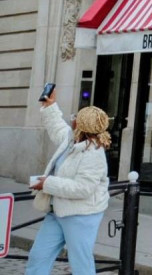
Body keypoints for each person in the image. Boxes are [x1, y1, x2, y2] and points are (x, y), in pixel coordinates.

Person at [26, 90, 110, 275]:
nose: (72, 119)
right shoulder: (72, 139)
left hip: (81, 215)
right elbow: (57, 128)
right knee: (38, 256)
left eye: (75, 117)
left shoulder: (94, 154)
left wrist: (47, 183)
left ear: (83, 125)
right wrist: (50, 106)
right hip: (57, 211)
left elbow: (83, 189)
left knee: (81, 264)